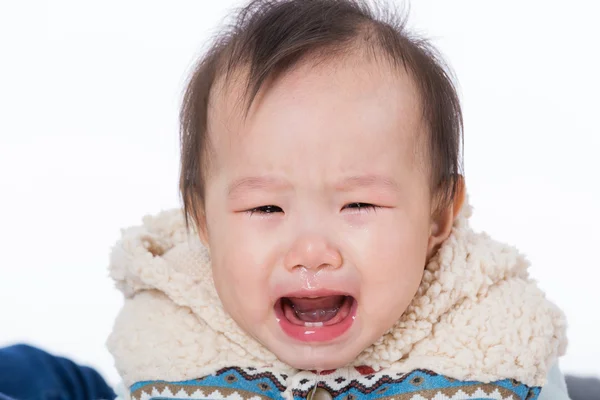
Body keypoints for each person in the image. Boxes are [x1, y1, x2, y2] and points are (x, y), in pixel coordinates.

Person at [106, 0, 570, 399]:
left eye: (358, 205)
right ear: (202, 219)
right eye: (266, 208)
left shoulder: (497, 342)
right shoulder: (167, 338)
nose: (311, 251)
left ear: (437, 214)